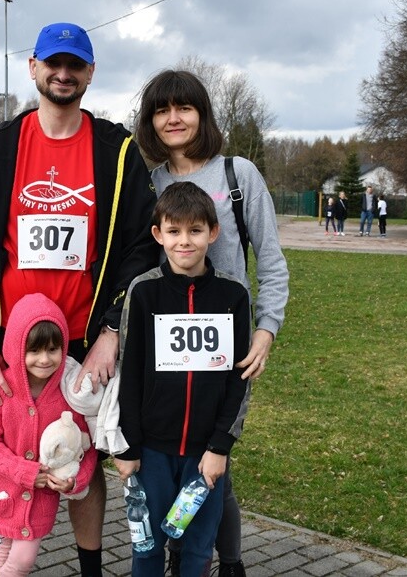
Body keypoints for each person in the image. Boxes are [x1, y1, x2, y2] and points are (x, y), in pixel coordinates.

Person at [0, 22, 158, 577]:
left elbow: (141, 248)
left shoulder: (115, 151)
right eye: (53, 63)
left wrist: (111, 334)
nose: (63, 74)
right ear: (34, 68)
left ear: (90, 73)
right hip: (14, 347)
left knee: (83, 462)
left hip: (82, 340)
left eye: (75, 65)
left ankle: (89, 568)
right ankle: (11, 559)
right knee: (13, 452)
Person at [134, 69, 289, 577]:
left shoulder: (237, 175)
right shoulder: (149, 182)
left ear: (203, 114)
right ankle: (187, 556)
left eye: (184, 107)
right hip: (165, 351)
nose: (173, 119)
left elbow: (270, 257)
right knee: (190, 464)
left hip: (227, 346)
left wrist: (265, 329)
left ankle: (230, 563)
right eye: (161, 110)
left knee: (215, 458)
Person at [111, 181, 251, 577]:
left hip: (205, 453)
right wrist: (128, 445)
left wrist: (221, 445)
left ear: (213, 232)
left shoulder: (234, 294)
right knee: (148, 548)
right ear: (158, 234)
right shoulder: (144, 293)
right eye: (174, 231)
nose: (184, 242)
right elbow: (130, 372)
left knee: (197, 552)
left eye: (195, 231)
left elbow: (240, 378)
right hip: (151, 451)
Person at [0, 292, 97, 576]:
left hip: (39, 503)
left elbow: (85, 447)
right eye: (34, 351)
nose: (44, 359)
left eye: (53, 350)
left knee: (21, 562)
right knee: (3, 555)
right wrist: (23, 471)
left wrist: (75, 481)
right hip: (2, 495)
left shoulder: (68, 396)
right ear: (17, 347)